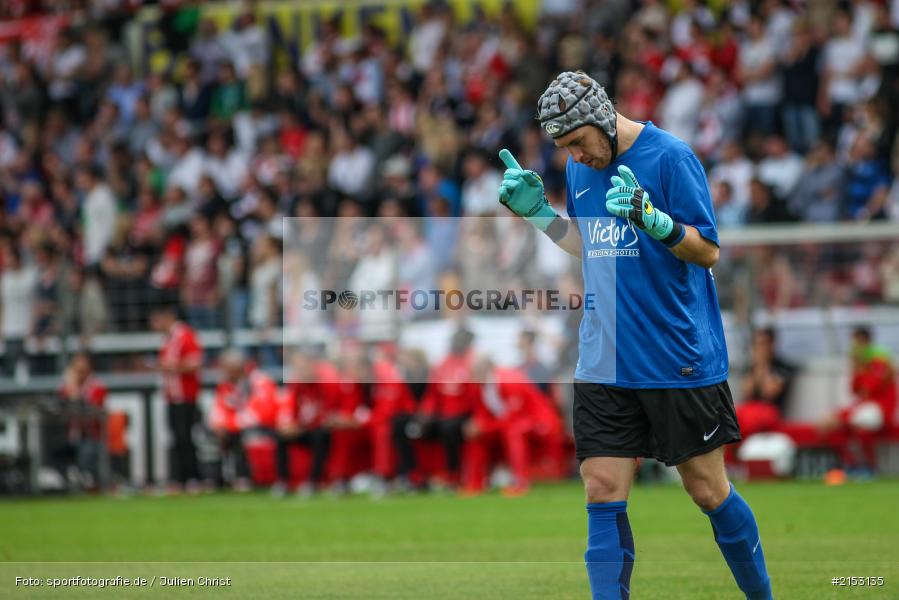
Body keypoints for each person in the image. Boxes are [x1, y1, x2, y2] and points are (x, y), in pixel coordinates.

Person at [497, 71, 772, 599]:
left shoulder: (671, 157)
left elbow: (708, 250)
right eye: (564, 148)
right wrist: (540, 216)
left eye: (578, 142)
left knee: (707, 490)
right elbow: (590, 245)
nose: (575, 156)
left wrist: (655, 220)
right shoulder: (580, 169)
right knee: (601, 490)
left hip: (675, 355)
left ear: (601, 117)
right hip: (603, 358)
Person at [821, 326, 897, 472]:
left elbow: (869, 389)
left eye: (856, 342)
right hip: (865, 407)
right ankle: (850, 464)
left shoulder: (880, 360)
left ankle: (869, 466)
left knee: (861, 424)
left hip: (882, 409)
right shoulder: (861, 364)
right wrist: (855, 367)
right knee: (827, 422)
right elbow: (855, 391)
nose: (854, 347)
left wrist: (860, 366)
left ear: (864, 341)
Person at [209, 349, 278, 491]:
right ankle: (216, 479)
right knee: (211, 434)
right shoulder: (225, 384)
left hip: (264, 426)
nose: (225, 373)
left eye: (228, 369)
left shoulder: (259, 380)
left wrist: (229, 424)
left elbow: (260, 413)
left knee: (242, 434)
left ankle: (244, 476)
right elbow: (220, 408)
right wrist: (219, 425)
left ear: (238, 367)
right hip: (236, 425)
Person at [151, 304, 202, 492]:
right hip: (172, 396)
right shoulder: (168, 338)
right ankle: (181, 478)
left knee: (185, 437)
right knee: (177, 437)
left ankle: (193, 478)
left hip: (185, 396)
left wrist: (169, 367)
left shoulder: (185, 335)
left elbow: (195, 363)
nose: (154, 324)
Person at [737, 329, 796, 438]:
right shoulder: (751, 368)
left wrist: (763, 365)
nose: (759, 348)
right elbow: (747, 392)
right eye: (756, 344)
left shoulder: (783, 367)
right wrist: (757, 366)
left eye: (763, 344)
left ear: (772, 345)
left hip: (772, 416)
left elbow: (768, 393)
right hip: (750, 416)